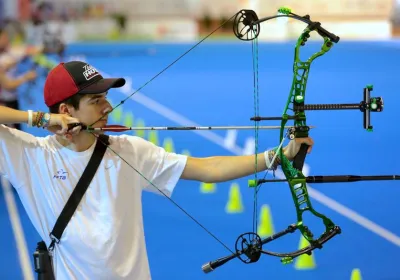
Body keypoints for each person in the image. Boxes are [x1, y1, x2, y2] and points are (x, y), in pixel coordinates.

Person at [0, 60, 314, 279]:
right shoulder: (30, 156)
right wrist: (39, 119)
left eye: (107, 98)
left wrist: (279, 155)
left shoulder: (129, 150)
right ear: (66, 112)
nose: (108, 107)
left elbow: (209, 168)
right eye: (97, 101)